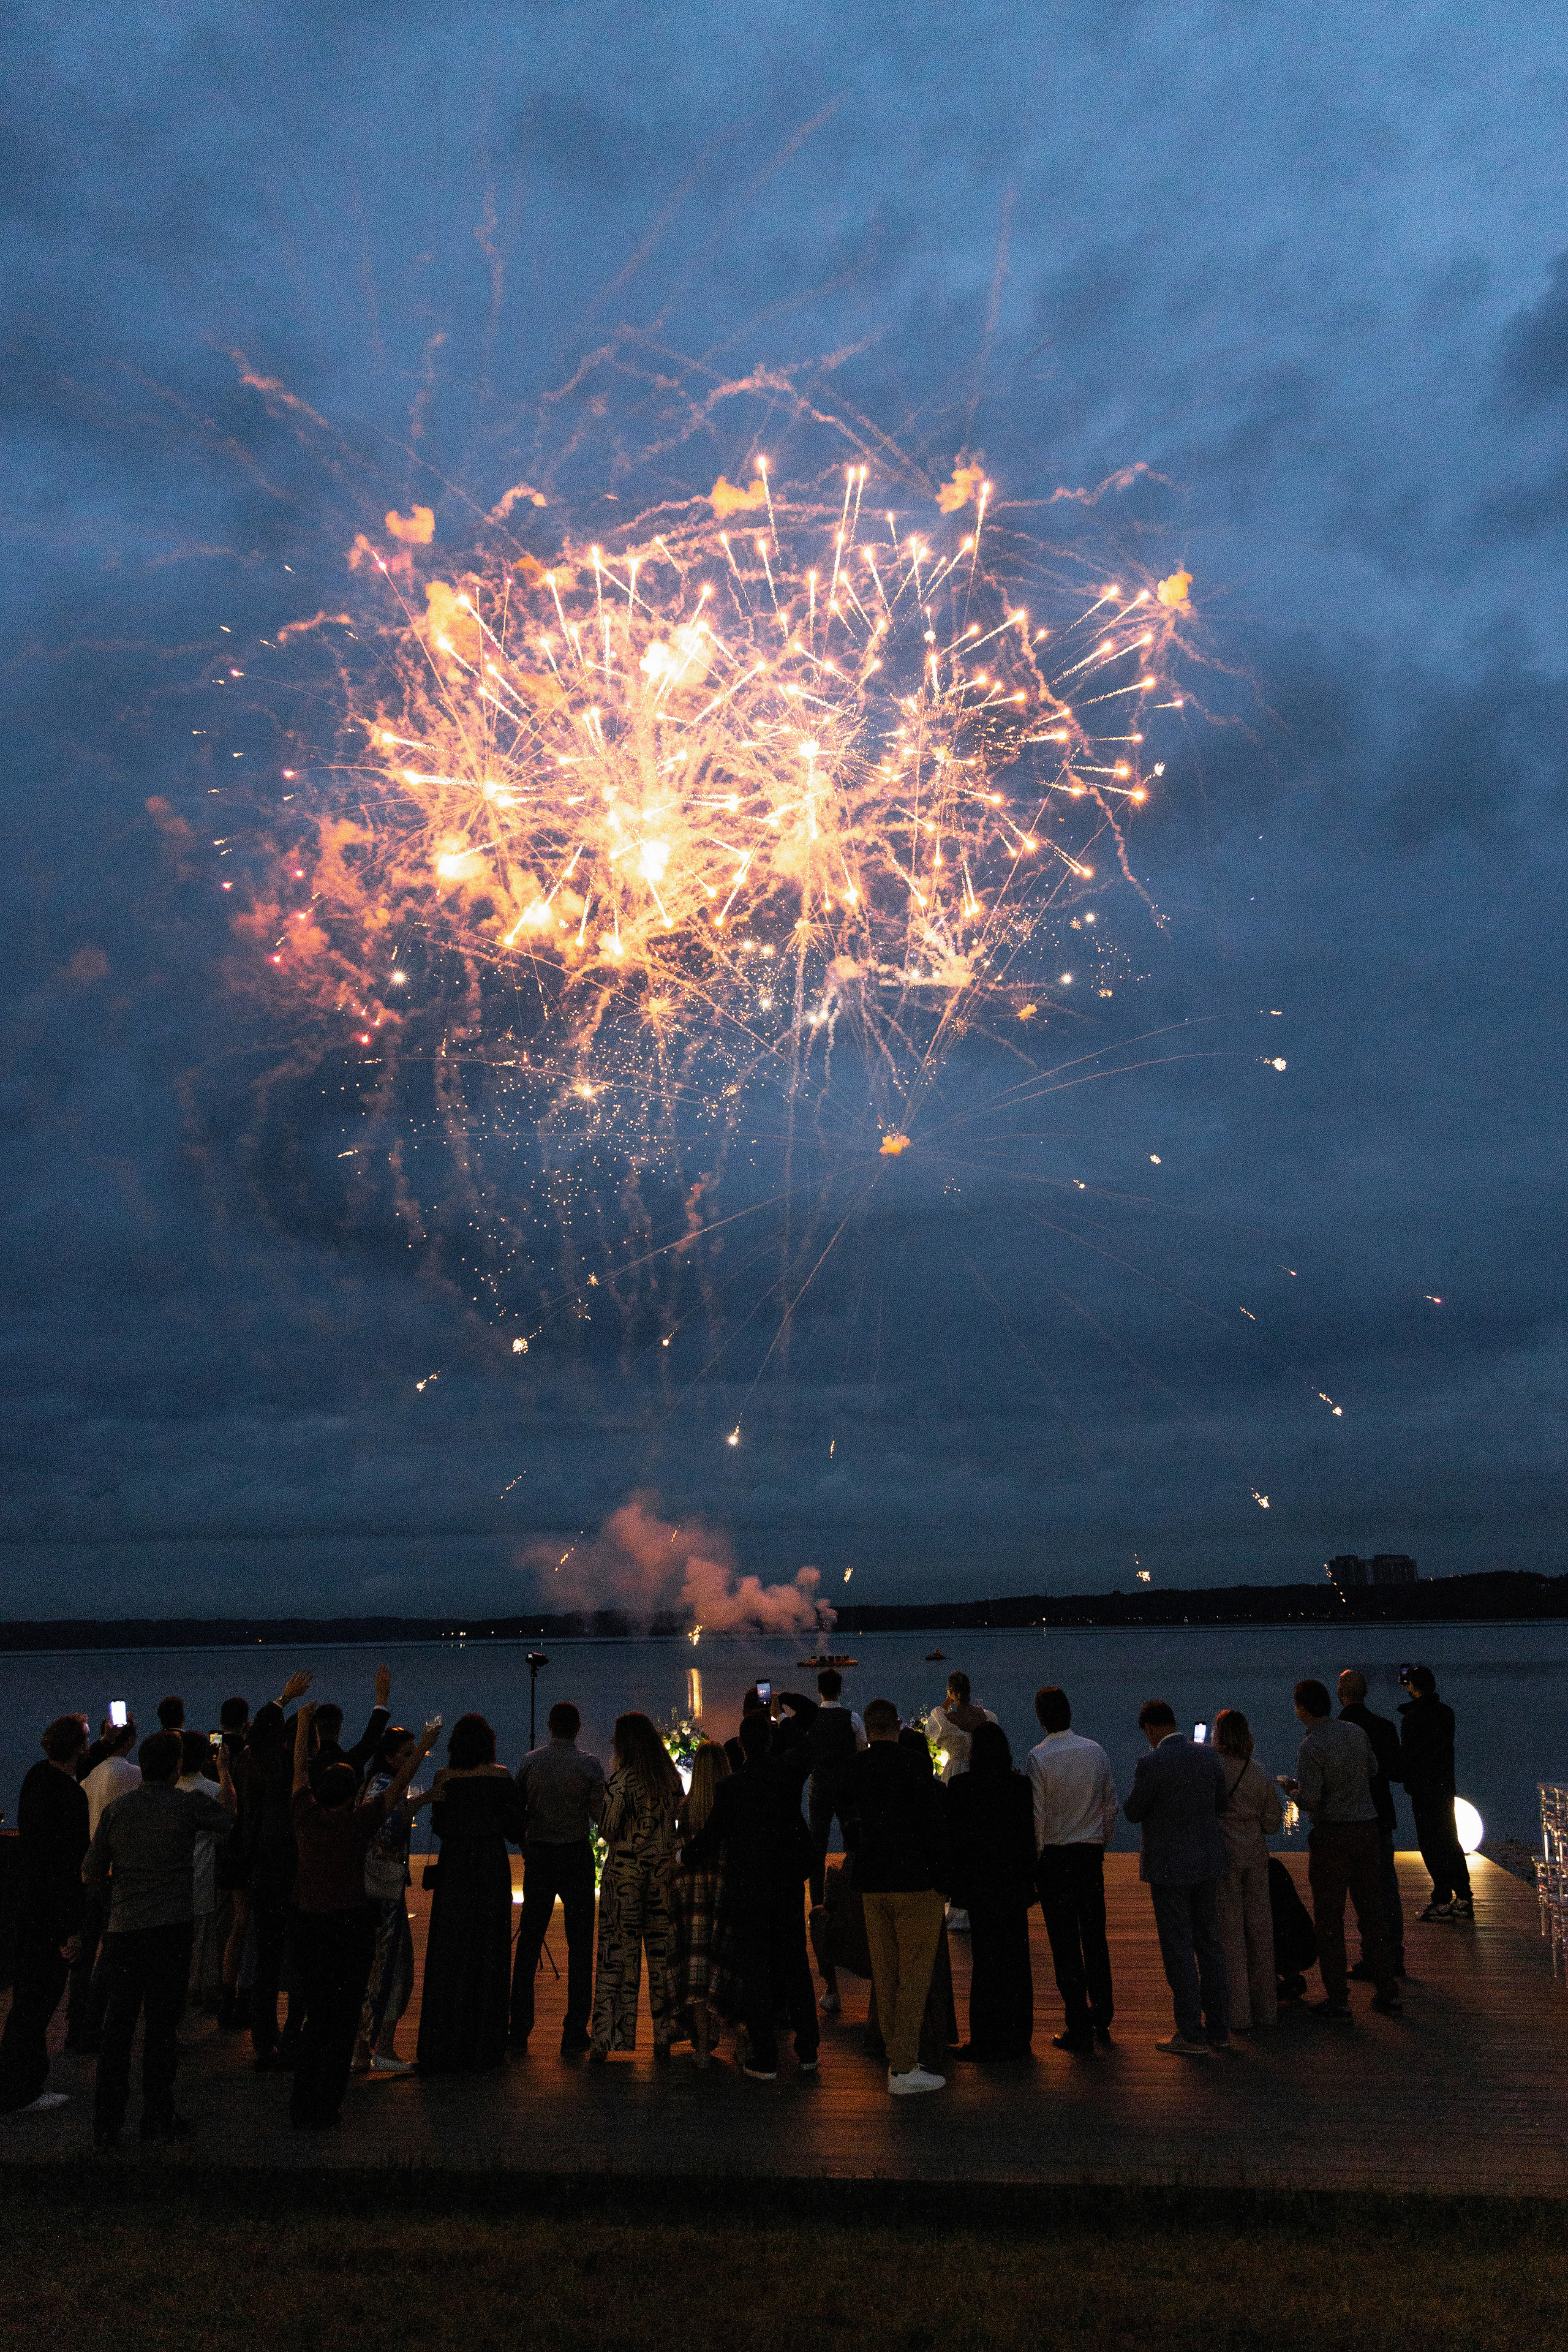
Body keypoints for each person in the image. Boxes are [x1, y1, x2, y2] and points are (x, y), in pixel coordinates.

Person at [85, 1728, 235, 2149]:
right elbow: (231, 1823)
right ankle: (158, 2115)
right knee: (162, 2028)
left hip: (124, 1929)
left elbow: (92, 1870)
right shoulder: (188, 1806)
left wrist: (116, 1901)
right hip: (171, 1928)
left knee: (118, 2028)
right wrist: (225, 1773)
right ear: (175, 1766)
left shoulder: (118, 1810)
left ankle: (107, 2123)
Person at [288, 1703, 437, 2128]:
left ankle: (302, 2105)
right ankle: (328, 2107)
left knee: (316, 2022)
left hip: (309, 1926)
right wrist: (427, 1744)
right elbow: (397, 1790)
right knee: (340, 2021)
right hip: (349, 1927)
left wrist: (303, 1725)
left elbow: (299, 1770)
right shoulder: (357, 1825)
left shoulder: (303, 1815)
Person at [682, 1712, 818, 2080]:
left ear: (740, 1745)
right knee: (795, 1964)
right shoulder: (787, 1773)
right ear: (772, 1742)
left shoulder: (732, 1787)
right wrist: (786, 1717)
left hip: (748, 1888)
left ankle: (765, 2058)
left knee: (755, 1969)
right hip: (787, 1883)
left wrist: (681, 1856)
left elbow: (710, 1838)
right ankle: (808, 2049)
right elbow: (808, 1749)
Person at [843, 1697, 949, 2095]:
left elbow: (849, 1818)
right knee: (915, 1976)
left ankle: (897, 2058)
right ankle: (904, 2067)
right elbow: (934, 1827)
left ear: (868, 1729)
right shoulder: (916, 1765)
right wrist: (944, 1879)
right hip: (914, 1883)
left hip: (873, 1883)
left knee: (886, 1976)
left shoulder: (855, 1769)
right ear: (899, 1726)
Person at [1284, 1679, 1401, 2021]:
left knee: (1330, 1920)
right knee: (1373, 1914)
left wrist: (1292, 1790)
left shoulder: (1311, 1745)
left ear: (1303, 1708)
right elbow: (1374, 1769)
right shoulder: (1355, 1733)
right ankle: (1388, 1992)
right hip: (1368, 1831)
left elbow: (1312, 1800)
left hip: (1333, 1835)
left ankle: (1339, 2000)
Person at [1121, 1699, 1231, 2058]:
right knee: (1210, 1945)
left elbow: (1134, 1812)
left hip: (1169, 1867)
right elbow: (1221, 1803)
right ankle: (1219, 2029)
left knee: (1179, 1948)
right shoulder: (1208, 1756)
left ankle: (1190, 2032)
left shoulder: (1151, 1763)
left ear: (1151, 1729)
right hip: (1207, 1862)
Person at [417, 1713, 525, 2074]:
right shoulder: (502, 1777)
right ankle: (486, 2041)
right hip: (491, 1867)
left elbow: (439, 1824)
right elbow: (514, 1828)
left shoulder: (444, 1778)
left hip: (456, 1868)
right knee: (489, 1949)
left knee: (451, 1950)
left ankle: (445, 2041)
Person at [0, 1715, 91, 2116]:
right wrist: (71, 1931)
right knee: (36, 2007)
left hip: (29, 1909)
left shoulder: (37, 1778)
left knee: (26, 2003)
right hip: (52, 1916)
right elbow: (68, 1868)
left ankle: (21, 2083)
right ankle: (20, 2090)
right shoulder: (71, 1798)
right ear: (78, 1749)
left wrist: (103, 1743)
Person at [510, 1700, 606, 2056]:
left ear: (550, 1727)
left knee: (529, 1941)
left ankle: (519, 2028)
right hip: (575, 1855)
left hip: (540, 1856)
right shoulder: (590, 1765)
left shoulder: (530, 1762)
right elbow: (598, 1815)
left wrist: (524, 1843)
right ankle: (574, 2029)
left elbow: (517, 1810)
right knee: (580, 1946)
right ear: (578, 1727)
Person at [1025, 1686, 1118, 2054]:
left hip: (1055, 1858)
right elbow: (1109, 1804)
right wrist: (1101, 1842)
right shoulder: (1095, 1751)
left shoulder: (1039, 1757)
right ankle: (1104, 2013)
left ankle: (1077, 2021)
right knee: (1095, 1936)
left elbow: (1037, 1816)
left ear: (1041, 1717)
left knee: (1064, 1943)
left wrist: (1035, 1861)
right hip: (1088, 1855)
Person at [590, 1712, 684, 2061]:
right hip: (661, 1878)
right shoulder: (670, 1779)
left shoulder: (620, 1782)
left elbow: (608, 1829)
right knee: (662, 1956)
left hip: (625, 1879)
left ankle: (607, 2037)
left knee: (618, 1958)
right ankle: (665, 2033)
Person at [235, 1668, 314, 2068]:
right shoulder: (304, 1777)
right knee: (299, 1963)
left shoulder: (266, 1770)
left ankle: (265, 2043)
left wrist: (283, 1699)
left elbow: (256, 1737)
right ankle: (294, 2036)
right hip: (297, 1878)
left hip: (267, 1876)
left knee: (267, 1965)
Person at [946, 1722, 1035, 2060]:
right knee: (1016, 1961)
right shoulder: (1020, 1786)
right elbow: (1028, 1837)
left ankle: (984, 2039)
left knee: (985, 1964)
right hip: (1013, 1885)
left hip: (980, 1886)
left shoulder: (960, 1786)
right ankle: (1019, 2038)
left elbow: (955, 1839)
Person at [353, 1724, 434, 2075]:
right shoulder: (386, 1787)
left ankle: (361, 2047)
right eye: (406, 1754)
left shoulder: (373, 1786)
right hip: (385, 1891)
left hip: (373, 1889)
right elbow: (389, 1830)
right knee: (393, 1969)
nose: (411, 1759)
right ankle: (382, 2046)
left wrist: (422, 1801)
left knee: (371, 1969)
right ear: (390, 1757)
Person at [66, 1716, 141, 2054]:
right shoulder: (133, 1776)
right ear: (132, 1741)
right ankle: (100, 2023)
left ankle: (77, 2021)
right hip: (117, 1874)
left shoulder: (87, 1777)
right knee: (114, 1953)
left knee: (85, 1952)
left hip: (88, 1871)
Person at [1210, 1709, 1283, 2032]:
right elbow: (1272, 1823)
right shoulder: (1261, 1773)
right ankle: (1266, 2009)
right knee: (1260, 1931)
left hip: (1225, 1856)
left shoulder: (1213, 1770)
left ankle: (1237, 2013)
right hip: (1255, 1855)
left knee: (1230, 1935)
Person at [1338, 1669, 1407, 1975]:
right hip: (1380, 1815)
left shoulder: (1334, 1731)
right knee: (1386, 1889)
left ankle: (1372, 1957)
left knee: (1360, 1893)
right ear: (1365, 1693)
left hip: (1348, 1818)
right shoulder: (1385, 1727)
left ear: (1341, 1694)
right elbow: (1398, 1773)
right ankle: (1393, 1954)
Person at [1398, 1665, 1473, 1923]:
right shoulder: (1446, 1713)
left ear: (1413, 1687)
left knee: (1430, 1844)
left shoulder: (1412, 1718)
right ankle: (1463, 1896)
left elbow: (1409, 1757)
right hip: (1444, 1787)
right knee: (1450, 1840)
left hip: (1423, 1789)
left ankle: (1442, 1899)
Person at [673, 1740, 730, 2066]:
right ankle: (743, 2041)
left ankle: (703, 2048)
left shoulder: (686, 1809)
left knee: (695, 1964)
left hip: (692, 1897)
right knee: (723, 1962)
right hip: (724, 1893)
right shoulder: (731, 1804)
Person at [804, 1668, 865, 1913]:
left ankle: (818, 1903)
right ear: (840, 1689)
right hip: (846, 1789)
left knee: (817, 1846)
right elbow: (862, 1752)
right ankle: (853, 1899)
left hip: (819, 1788)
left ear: (819, 1690)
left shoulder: (809, 1720)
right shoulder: (853, 1718)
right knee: (853, 1843)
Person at [177, 1732, 225, 2011]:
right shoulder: (212, 1790)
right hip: (202, 1875)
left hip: (173, 1880)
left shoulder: (170, 1792)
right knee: (203, 1939)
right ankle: (199, 1991)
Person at [307, 1665, 393, 1793]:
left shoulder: (300, 1765)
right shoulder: (347, 1762)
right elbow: (370, 1740)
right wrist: (382, 1697)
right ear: (339, 1729)